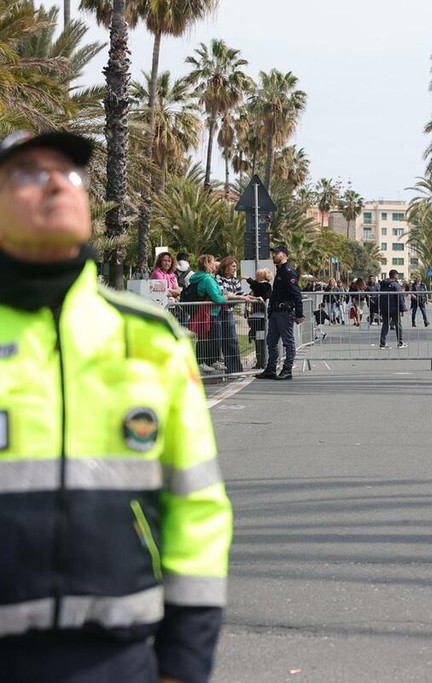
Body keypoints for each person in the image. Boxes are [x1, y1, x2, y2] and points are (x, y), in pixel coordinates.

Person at [0, 129, 232, 682]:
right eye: (29, 173)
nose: (57, 183)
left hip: (118, 658)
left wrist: (184, 660)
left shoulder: (151, 337)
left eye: (71, 173)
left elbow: (196, 504)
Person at [255, 244, 305, 380]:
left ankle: (287, 369)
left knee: (288, 341)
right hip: (276, 312)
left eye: (276, 253)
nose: (273, 255)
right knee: (271, 341)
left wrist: (299, 314)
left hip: (285, 312)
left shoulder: (288, 271)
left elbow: (296, 294)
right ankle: (271, 368)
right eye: (273, 253)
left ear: (284, 255)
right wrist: (271, 310)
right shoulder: (280, 270)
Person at [246, 267, 273, 369]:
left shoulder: (266, 286)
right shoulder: (259, 286)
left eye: (258, 275)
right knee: (258, 340)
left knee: (261, 340)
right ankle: (260, 361)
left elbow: (258, 287)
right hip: (256, 317)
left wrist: (249, 279)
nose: (256, 277)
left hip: (261, 318)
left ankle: (262, 362)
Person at [378, 269, 407, 349]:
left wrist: (381, 308)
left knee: (385, 325)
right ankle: (400, 342)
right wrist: (402, 308)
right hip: (394, 308)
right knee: (398, 325)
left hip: (385, 308)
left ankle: (382, 343)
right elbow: (400, 297)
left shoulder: (383, 285)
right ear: (395, 275)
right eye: (397, 275)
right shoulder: (395, 284)